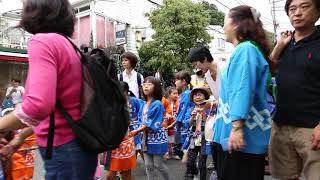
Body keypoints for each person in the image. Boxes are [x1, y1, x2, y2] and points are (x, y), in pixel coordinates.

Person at [0, 0, 98, 179]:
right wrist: (20, 138)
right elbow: (56, 110)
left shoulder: (42, 41)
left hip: (65, 150)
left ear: (37, 8)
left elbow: (38, 106)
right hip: (79, 144)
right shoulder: (67, 44)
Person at [199, 5, 271, 180]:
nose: (223, 27)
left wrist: (237, 127)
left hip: (240, 138)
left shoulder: (245, 49)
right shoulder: (247, 49)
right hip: (236, 136)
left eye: (225, 22)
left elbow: (242, 89)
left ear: (237, 24)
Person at [268, 0, 320, 179]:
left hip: (312, 128)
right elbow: (270, 71)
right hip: (281, 125)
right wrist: (279, 46)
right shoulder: (285, 42)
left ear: (318, 12)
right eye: (292, 9)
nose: (297, 13)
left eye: (304, 7)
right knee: (284, 176)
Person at [129, 76, 169, 180]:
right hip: (145, 138)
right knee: (148, 165)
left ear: (156, 88)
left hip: (156, 138)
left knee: (158, 164)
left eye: (149, 84)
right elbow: (140, 120)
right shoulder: (143, 104)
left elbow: (150, 123)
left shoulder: (157, 104)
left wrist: (136, 131)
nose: (146, 86)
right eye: (144, 84)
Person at [104, 82, 137, 180]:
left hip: (125, 144)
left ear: (125, 93)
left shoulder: (130, 103)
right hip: (112, 145)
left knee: (126, 174)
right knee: (110, 175)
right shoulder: (108, 104)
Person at [183, 86, 212, 180]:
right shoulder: (191, 109)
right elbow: (187, 124)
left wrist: (203, 113)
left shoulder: (209, 108)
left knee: (202, 163)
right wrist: (193, 116)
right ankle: (194, 173)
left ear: (205, 96)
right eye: (195, 95)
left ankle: (202, 177)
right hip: (194, 138)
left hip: (205, 137)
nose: (197, 97)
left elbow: (209, 122)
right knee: (190, 161)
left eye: (200, 95)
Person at [173, 71, 194, 160]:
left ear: (183, 82)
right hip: (185, 122)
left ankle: (191, 169)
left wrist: (177, 120)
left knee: (184, 148)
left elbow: (184, 109)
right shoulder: (187, 93)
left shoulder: (186, 94)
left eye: (176, 80)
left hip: (185, 123)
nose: (175, 82)